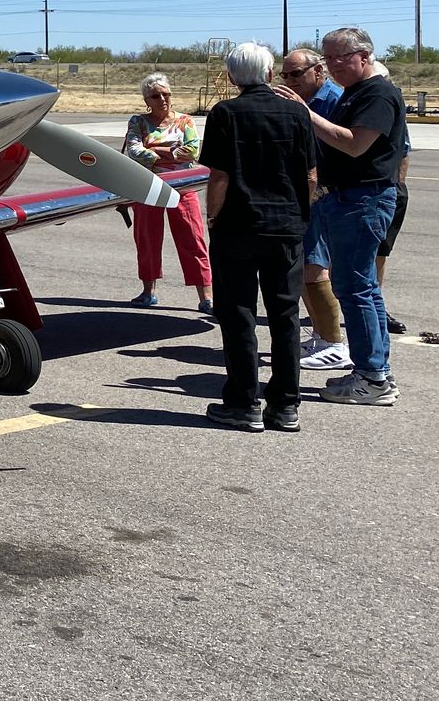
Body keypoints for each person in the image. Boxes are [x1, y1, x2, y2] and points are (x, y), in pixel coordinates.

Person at [273, 26, 408, 406]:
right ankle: (374, 371)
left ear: (364, 56)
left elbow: (354, 145)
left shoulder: (377, 94)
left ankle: (373, 377)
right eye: (328, 57)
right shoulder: (355, 93)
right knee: (362, 288)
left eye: (339, 57)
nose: (332, 65)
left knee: (356, 288)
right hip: (348, 201)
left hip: (362, 202)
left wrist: (304, 113)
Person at [197, 43, 316, 432]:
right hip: (286, 227)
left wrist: (212, 217)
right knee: (285, 317)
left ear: (233, 77)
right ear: (268, 73)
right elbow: (311, 175)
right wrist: (302, 215)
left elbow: (219, 176)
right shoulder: (298, 113)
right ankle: (285, 405)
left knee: (238, 314)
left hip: (238, 226)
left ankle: (243, 401)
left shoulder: (225, 113)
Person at [276, 47, 348, 369]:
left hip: (326, 194)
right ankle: (321, 335)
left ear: (318, 72)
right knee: (305, 266)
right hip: (307, 195)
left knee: (314, 268)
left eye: (296, 74)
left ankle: (335, 343)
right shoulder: (298, 101)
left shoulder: (333, 101)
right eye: (285, 75)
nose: (290, 80)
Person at [123, 74, 213, 312]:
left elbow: (192, 151)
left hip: (183, 187)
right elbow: (134, 150)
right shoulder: (138, 122)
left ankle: (206, 296)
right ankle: (148, 291)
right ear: (146, 100)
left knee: (193, 239)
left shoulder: (185, 121)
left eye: (166, 94)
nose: (162, 99)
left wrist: (154, 149)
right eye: (155, 96)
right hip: (148, 186)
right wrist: (168, 152)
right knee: (147, 239)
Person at [370, 62, 413, 335]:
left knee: (380, 253)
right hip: (359, 194)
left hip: (388, 191)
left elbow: (405, 150)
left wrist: (396, 188)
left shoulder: (392, 108)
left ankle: (376, 307)